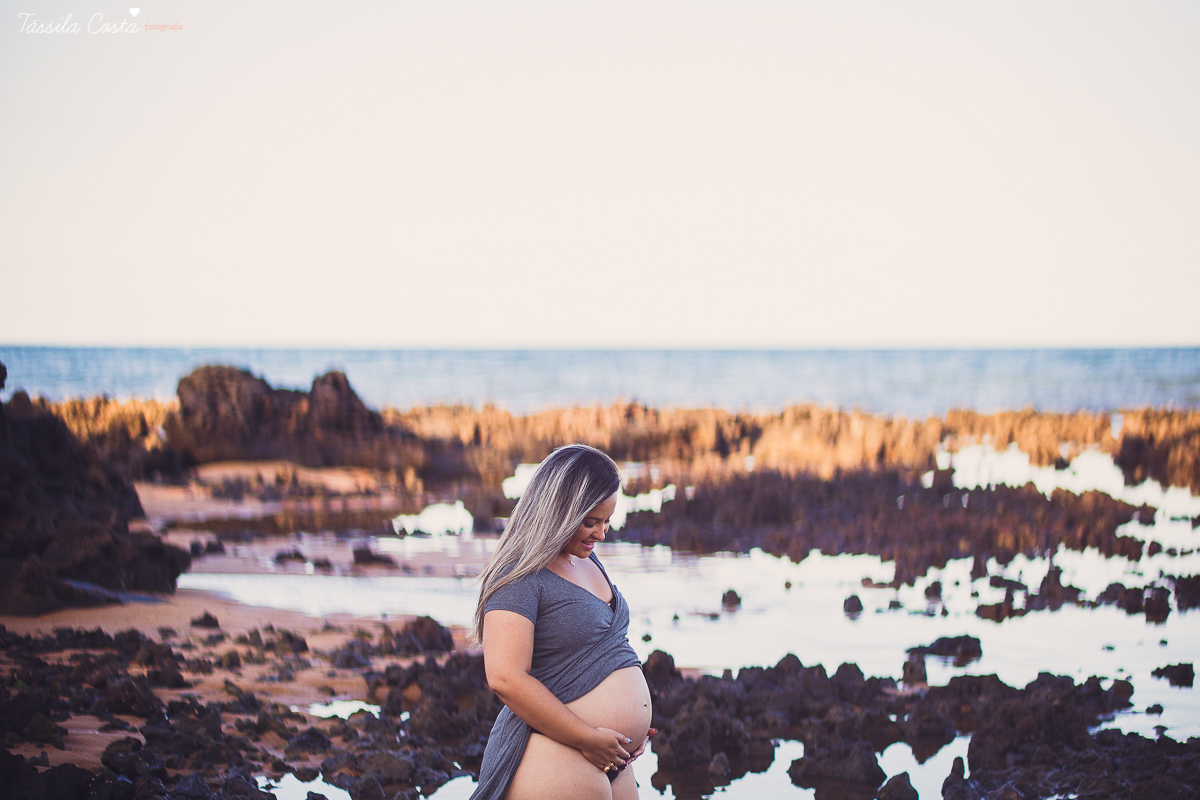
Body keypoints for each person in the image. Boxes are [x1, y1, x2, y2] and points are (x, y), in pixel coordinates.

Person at [469, 444, 654, 800]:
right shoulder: (519, 576)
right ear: (559, 510)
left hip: (608, 756)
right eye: (590, 522)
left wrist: (631, 727)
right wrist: (588, 737)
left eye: (607, 521)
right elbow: (505, 677)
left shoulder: (585, 560)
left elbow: (595, 652)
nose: (601, 534)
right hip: (553, 752)